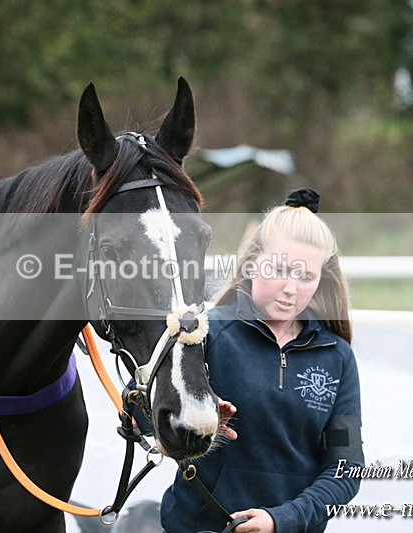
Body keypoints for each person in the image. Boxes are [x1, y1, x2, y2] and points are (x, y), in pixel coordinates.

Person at [160, 188, 364, 533]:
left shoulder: (337, 357)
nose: (290, 287)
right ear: (253, 263)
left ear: (320, 280)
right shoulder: (206, 332)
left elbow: (346, 469)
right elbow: (144, 417)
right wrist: (197, 427)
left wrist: (283, 519)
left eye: (305, 276)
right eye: (280, 269)